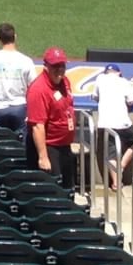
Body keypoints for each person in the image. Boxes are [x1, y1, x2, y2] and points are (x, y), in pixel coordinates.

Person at [26, 47, 78, 188]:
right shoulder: (38, 89)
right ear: (46, 66)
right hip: (49, 148)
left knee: (68, 190)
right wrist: (43, 157)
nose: (60, 69)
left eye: (62, 65)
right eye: (55, 66)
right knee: (54, 192)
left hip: (64, 147)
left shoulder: (65, 81)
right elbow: (37, 126)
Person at [92, 63, 133, 189]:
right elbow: (131, 101)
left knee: (111, 153)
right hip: (122, 123)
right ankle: (122, 166)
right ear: (118, 73)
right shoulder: (124, 82)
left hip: (105, 123)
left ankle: (116, 182)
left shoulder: (100, 79)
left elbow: (95, 97)